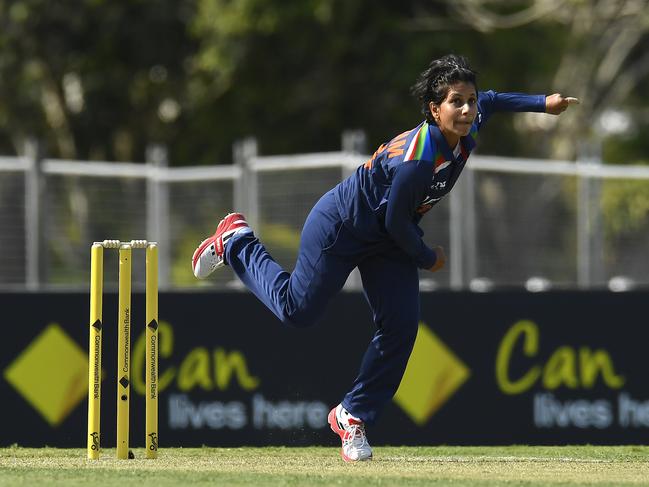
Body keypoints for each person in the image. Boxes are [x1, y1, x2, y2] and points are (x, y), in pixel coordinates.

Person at [191, 54, 579, 462]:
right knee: (297, 311)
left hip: (388, 237)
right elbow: (396, 223)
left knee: (401, 327)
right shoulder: (419, 160)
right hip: (344, 225)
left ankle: (352, 415)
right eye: (456, 102)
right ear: (435, 109)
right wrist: (428, 257)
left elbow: (495, 99)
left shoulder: (469, 122)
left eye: (470, 100)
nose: (467, 110)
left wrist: (543, 103)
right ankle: (236, 241)